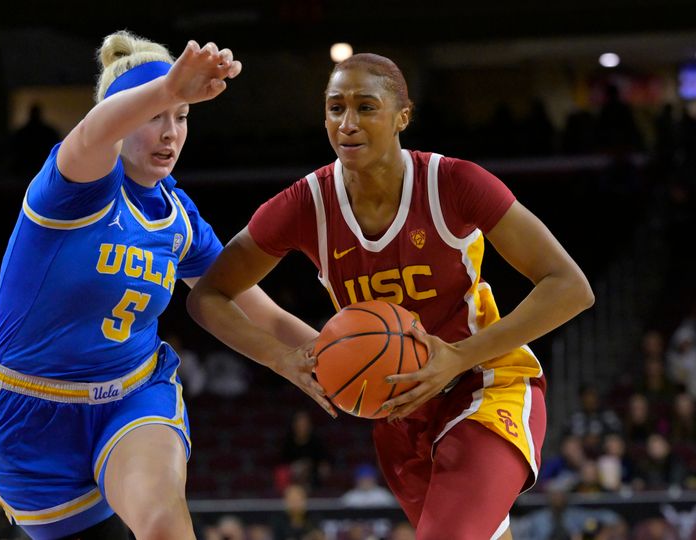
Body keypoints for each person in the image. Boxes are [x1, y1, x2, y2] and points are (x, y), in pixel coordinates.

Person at [187, 52, 594, 538]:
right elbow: (208, 294)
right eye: (336, 108)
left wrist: (457, 357)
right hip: (397, 413)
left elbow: (570, 286)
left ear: (403, 116)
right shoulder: (306, 204)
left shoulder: (452, 183)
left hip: (484, 383)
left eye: (365, 107)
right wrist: (282, 358)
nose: (348, 122)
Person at [0, 31, 317, 540]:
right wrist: (167, 89)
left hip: (133, 395)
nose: (170, 134)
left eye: (181, 118)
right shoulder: (72, 186)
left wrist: (337, 359)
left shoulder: (179, 219)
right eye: (154, 117)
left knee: (163, 524)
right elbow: (93, 132)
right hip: (30, 415)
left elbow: (262, 313)